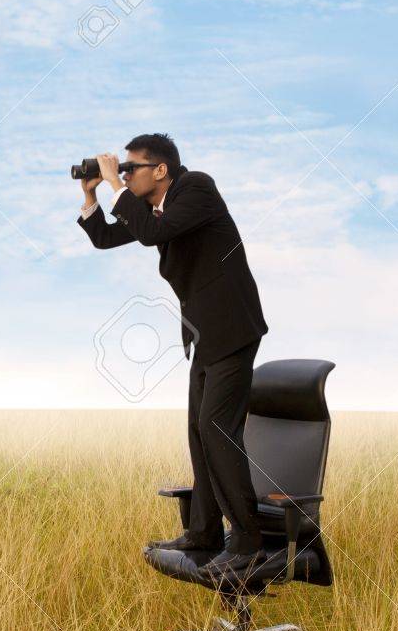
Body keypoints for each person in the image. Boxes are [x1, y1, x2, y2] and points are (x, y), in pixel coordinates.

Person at [77, 133, 269, 576]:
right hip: (205, 334)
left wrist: (116, 187)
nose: (123, 174)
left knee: (216, 427)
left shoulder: (196, 188)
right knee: (200, 431)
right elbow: (107, 238)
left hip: (232, 328)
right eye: (120, 168)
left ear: (160, 171)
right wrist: (91, 197)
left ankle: (247, 541)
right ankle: (204, 532)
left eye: (131, 168)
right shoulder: (151, 209)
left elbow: (153, 236)